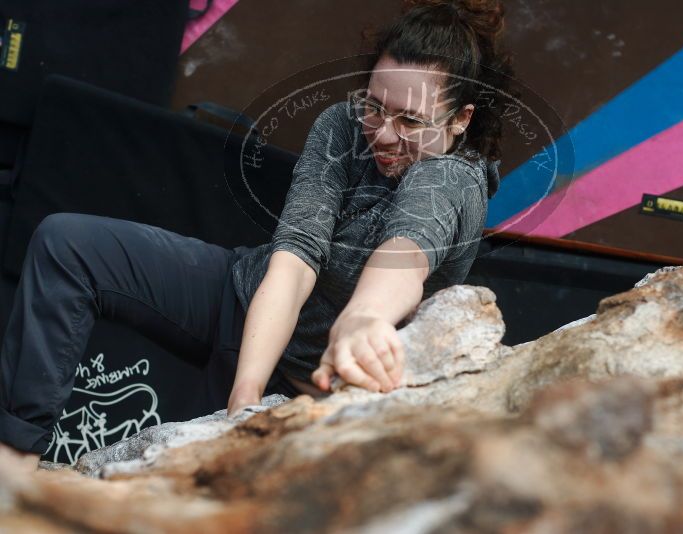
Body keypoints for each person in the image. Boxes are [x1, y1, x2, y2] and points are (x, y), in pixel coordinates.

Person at [0, 0, 514, 472]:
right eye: (376, 106)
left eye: (409, 120)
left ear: (461, 119)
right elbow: (295, 258)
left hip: (304, 396)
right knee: (67, 243)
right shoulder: (341, 125)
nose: (382, 132)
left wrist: (364, 318)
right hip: (248, 302)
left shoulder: (454, 178)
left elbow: (405, 251)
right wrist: (243, 397)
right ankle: (13, 460)